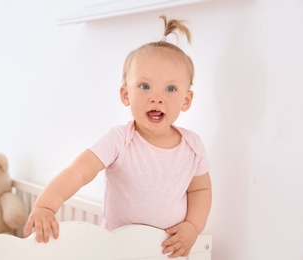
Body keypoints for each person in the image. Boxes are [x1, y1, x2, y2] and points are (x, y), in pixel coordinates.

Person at [25, 15, 212, 258]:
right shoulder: (120, 140)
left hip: (168, 250)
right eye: (145, 86)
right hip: (117, 250)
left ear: (186, 100)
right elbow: (79, 172)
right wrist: (45, 205)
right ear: (126, 95)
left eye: (170, 88)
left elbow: (200, 190)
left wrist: (193, 227)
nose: (157, 97)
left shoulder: (192, 146)